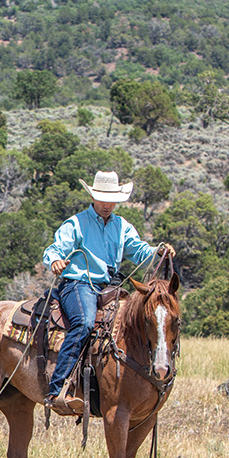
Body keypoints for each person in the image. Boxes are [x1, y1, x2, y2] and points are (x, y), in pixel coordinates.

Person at [41, 171, 175, 413]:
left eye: (112, 199)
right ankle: (58, 388)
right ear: (93, 197)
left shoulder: (122, 226)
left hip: (111, 287)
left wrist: (158, 251)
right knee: (83, 323)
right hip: (79, 283)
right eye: (103, 199)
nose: (107, 205)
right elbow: (55, 248)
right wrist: (55, 261)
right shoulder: (76, 223)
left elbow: (139, 251)